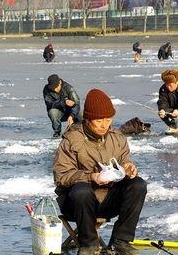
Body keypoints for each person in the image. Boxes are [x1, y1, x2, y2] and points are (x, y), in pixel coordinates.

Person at [54, 89, 147, 255]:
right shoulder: (72, 140)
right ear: (88, 119)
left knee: (138, 184)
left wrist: (128, 168)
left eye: (108, 119)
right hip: (77, 204)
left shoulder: (117, 138)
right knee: (81, 191)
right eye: (99, 121)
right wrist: (91, 177)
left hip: (108, 200)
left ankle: (120, 241)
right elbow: (61, 176)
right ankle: (89, 244)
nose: (105, 125)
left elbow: (125, 160)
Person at [158, 70, 178, 135]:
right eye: (166, 84)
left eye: (170, 85)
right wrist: (162, 109)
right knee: (163, 113)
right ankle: (173, 127)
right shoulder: (163, 89)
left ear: (176, 82)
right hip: (173, 108)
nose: (168, 87)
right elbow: (163, 100)